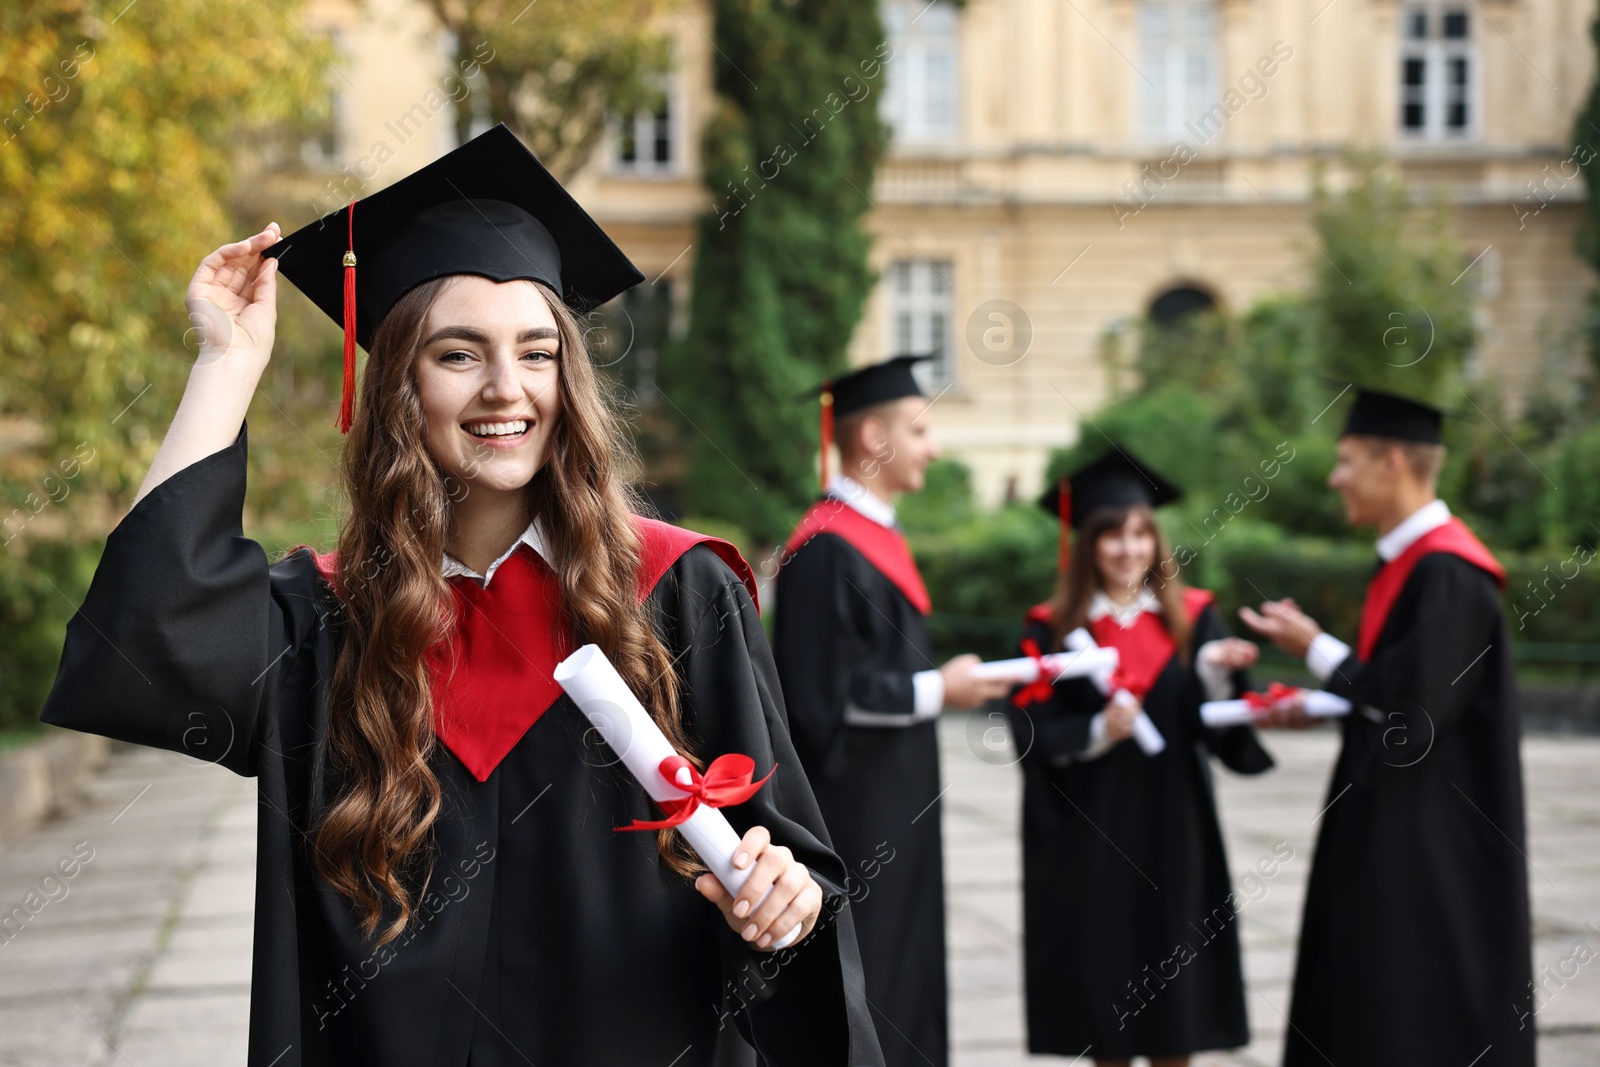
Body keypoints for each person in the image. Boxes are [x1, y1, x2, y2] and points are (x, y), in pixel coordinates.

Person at [40, 126, 884, 1066]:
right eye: (457, 354)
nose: (505, 389)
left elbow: (793, 862)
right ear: (398, 379)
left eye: (536, 352)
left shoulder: (676, 591)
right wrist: (225, 368)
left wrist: (784, 897)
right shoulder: (327, 622)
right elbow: (149, 633)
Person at [1239, 388, 1533, 1067]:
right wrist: (1323, 702)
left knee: (1410, 1008)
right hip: (1395, 828)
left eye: (1346, 461)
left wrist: (1317, 646)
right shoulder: (1410, 563)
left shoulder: (1450, 571)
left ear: (1392, 462)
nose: (1335, 477)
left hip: (1436, 847)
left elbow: (1416, 709)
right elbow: (1401, 690)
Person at [770, 355, 1013, 1067]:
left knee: (908, 951)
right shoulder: (824, 549)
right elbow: (817, 701)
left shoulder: (873, 536)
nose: (932, 446)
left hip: (898, 792)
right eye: (919, 428)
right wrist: (943, 690)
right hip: (857, 807)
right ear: (873, 436)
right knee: (873, 960)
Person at [1008, 449, 1274, 1067]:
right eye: (1111, 537)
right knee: (1104, 992)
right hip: (1090, 836)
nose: (1128, 550)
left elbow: (1218, 730)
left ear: (1156, 539)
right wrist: (1098, 727)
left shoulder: (1194, 620)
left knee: (1175, 991)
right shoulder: (1049, 629)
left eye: (1139, 534)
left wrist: (1214, 676)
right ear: (1086, 546)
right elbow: (1028, 729)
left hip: (1173, 826)